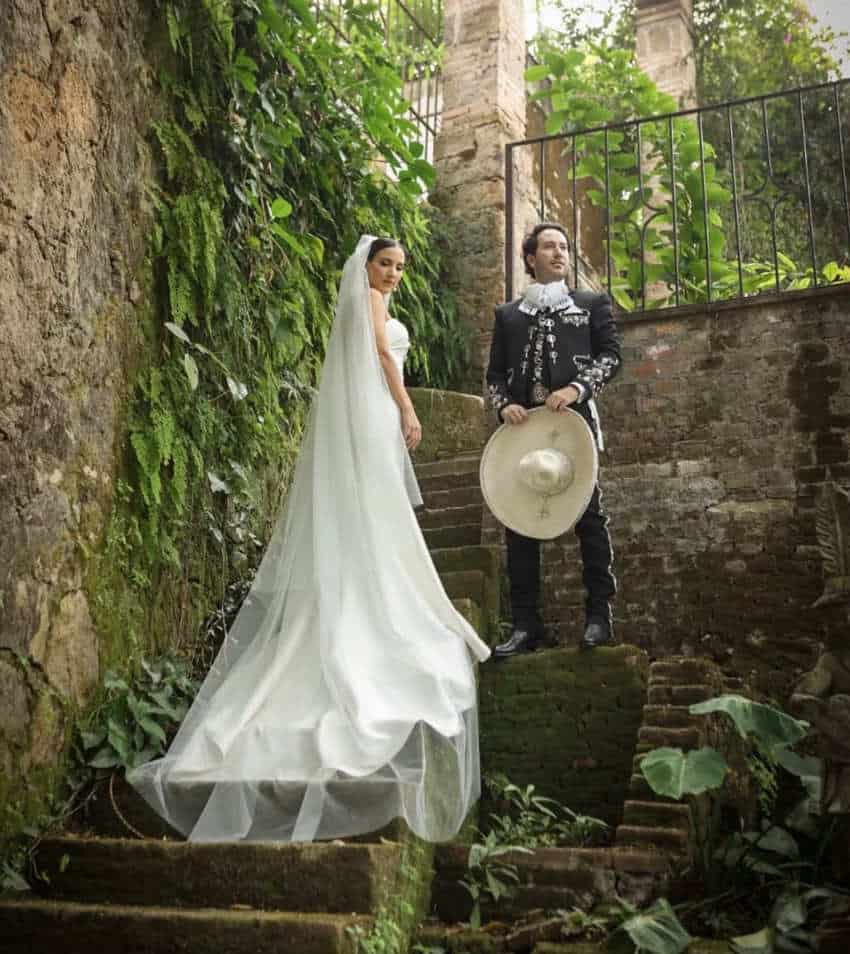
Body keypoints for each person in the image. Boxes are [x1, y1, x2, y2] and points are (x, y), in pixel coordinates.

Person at [128, 235, 491, 843]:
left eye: (400, 267)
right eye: (386, 264)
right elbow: (381, 353)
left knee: (372, 517)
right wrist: (406, 407)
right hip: (378, 413)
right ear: (366, 267)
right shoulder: (371, 305)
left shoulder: (355, 302)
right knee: (379, 517)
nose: (394, 275)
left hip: (364, 418)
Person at [486, 223, 621, 656]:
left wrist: (576, 389)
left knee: (590, 518)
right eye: (549, 247)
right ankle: (526, 626)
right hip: (523, 429)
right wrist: (503, 404)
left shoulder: (591, 303)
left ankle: (600, 616)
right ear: (531, 258)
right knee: (518, 523)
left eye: (564, 246)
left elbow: (611, 357)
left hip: (574, 425)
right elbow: (494, 377)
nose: (559, 253)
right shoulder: (507, 315)